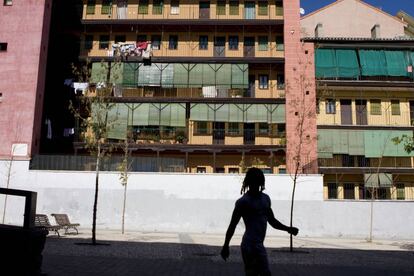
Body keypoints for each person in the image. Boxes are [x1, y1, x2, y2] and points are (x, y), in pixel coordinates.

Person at [220, 167, 299, 276]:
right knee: (255, 273)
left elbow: (272, 220)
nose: (256, 186)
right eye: (254, 182)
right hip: (248, 245)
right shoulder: (243, 202)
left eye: (258, 183)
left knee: (264, 273)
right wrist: (225, 245)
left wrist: (288, 229)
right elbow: (232, 225)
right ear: (249, 183)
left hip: (258, 245)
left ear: (261, 183)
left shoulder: (265, 199)